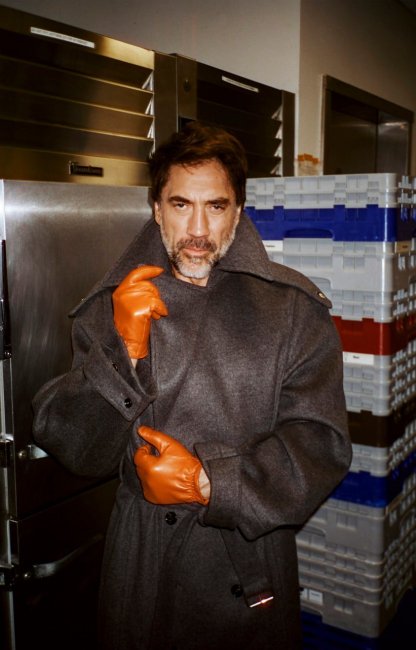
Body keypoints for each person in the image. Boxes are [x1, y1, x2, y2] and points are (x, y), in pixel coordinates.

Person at [32, 121, 352, 650]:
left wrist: (210, 484)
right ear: (157, 209)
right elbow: (78, 451)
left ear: (238, 211)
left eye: (216, 206)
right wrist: (124, 348)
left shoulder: (293, 310)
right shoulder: (110, 305)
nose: (198, 229)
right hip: (143, 566)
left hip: (245, 560)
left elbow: (321, 445)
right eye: (181, 205)